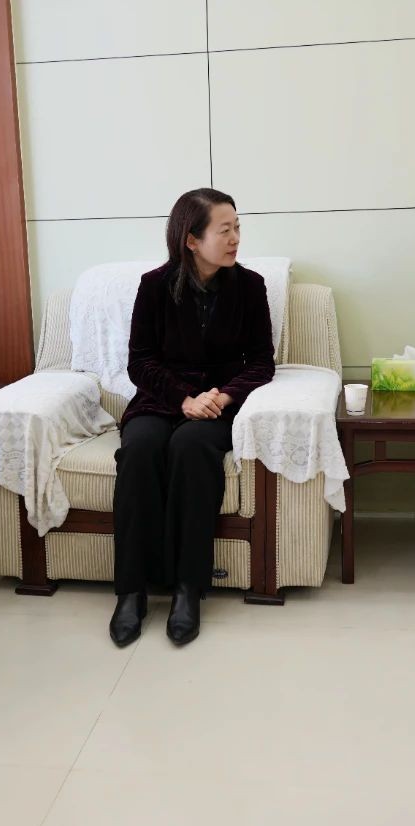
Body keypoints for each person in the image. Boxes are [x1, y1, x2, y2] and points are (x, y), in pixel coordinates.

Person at [109, 189, 275, 647]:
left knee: (191, 447)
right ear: (191, 239)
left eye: (237, 228)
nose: (236, 238)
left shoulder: (250, 286)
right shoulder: (154, 286)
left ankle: (188, 588)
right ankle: (131, 591)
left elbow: (262, 362)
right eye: (225, 230)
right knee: (140, 449)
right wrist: (183, 398)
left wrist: (223, 395)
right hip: (161, 399)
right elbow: (140, 362)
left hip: (218, 404)